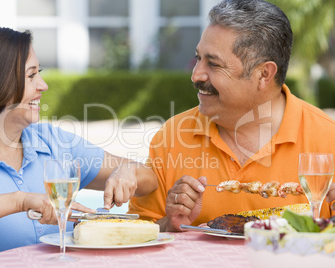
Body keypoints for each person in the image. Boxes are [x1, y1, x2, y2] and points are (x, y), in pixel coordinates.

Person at [0, 27, 157, 268]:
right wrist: (21, 201)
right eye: (31, 76)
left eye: (38, 73)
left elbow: (149, 180)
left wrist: (127, 171)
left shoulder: (54, 142)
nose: (43, 85)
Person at [128, 0, 335, 232]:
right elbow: (137, 234)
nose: (196, 75)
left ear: (264, 74)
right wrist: (170, 223)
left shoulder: (329, 138)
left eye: (214, 64)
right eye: (198, 58)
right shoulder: (173, 135)